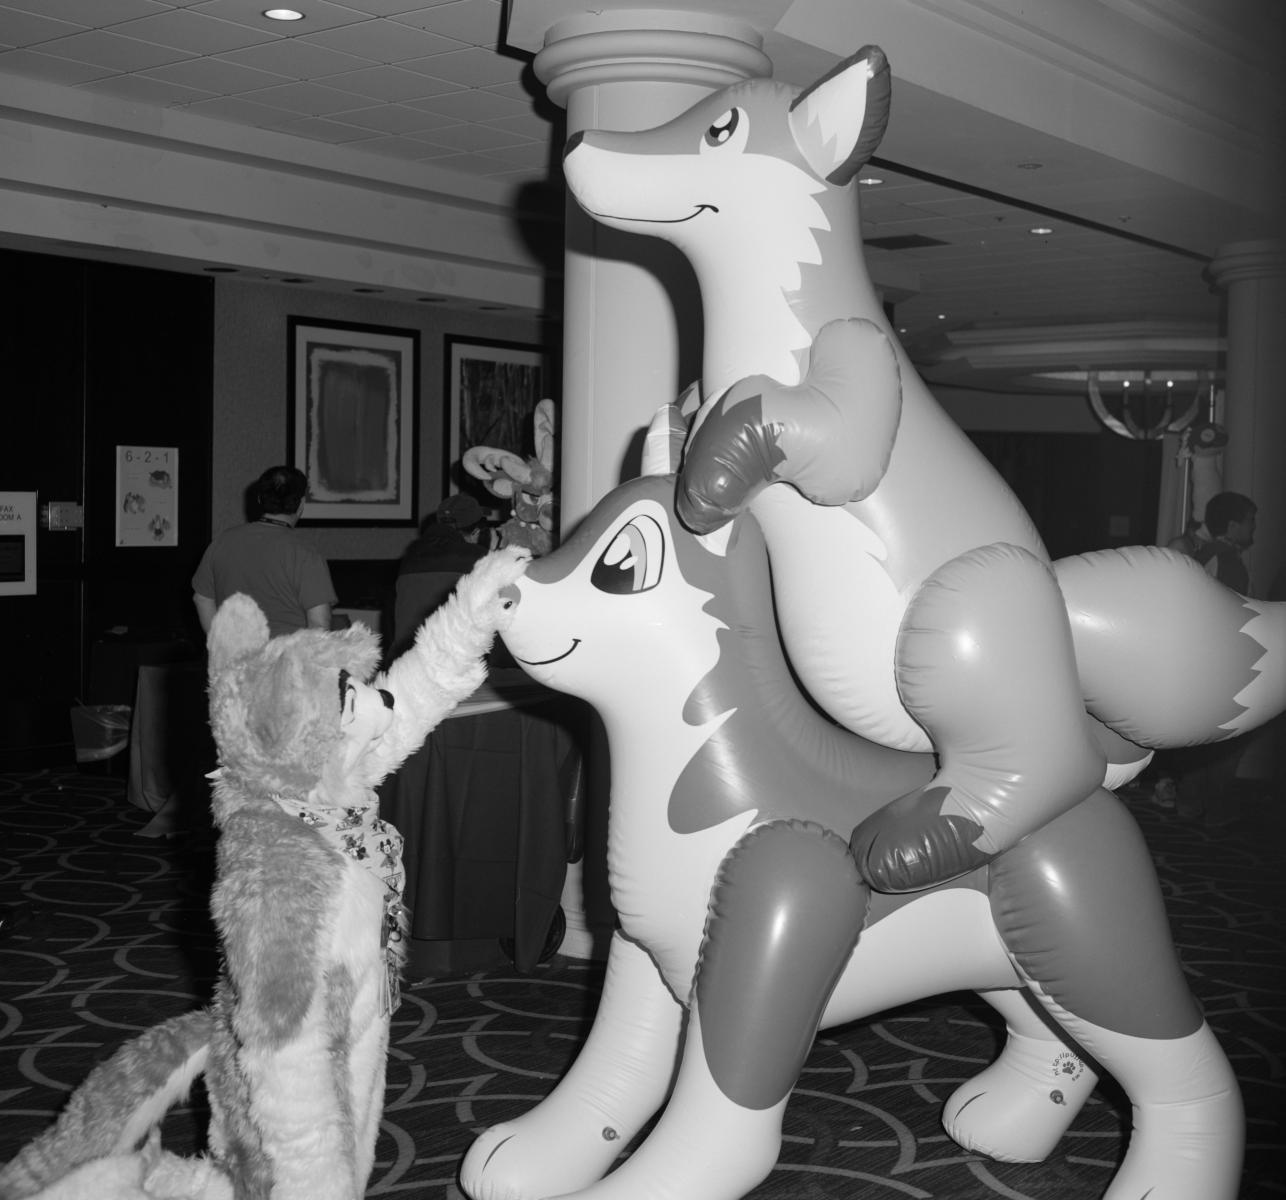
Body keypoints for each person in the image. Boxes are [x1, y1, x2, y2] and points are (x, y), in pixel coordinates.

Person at [1155, 490, 1258, 828]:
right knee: (1227, 740)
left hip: (1197, 661)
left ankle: (1191, 803)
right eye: (1249, 521)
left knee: (1204, 739)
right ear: (1232, 525)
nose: (1253, 527)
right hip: (1219, 664)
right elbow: (1233, 615)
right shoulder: (1226, 561)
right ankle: (1214, 809)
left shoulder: (1202, 554)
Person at [192, 466, 336, 639]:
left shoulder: (222, 541)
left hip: (233, 653)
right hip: (288, 654)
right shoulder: (306, 553)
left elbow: (201, 599)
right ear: (301, 504)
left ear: (260, 499)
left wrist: (219, 643)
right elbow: (319, 623)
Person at [390, 493, 491, 657]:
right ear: (476, 533)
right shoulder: (479, 558)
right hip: (452, 662)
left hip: (404, 661)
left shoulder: (410, 557)